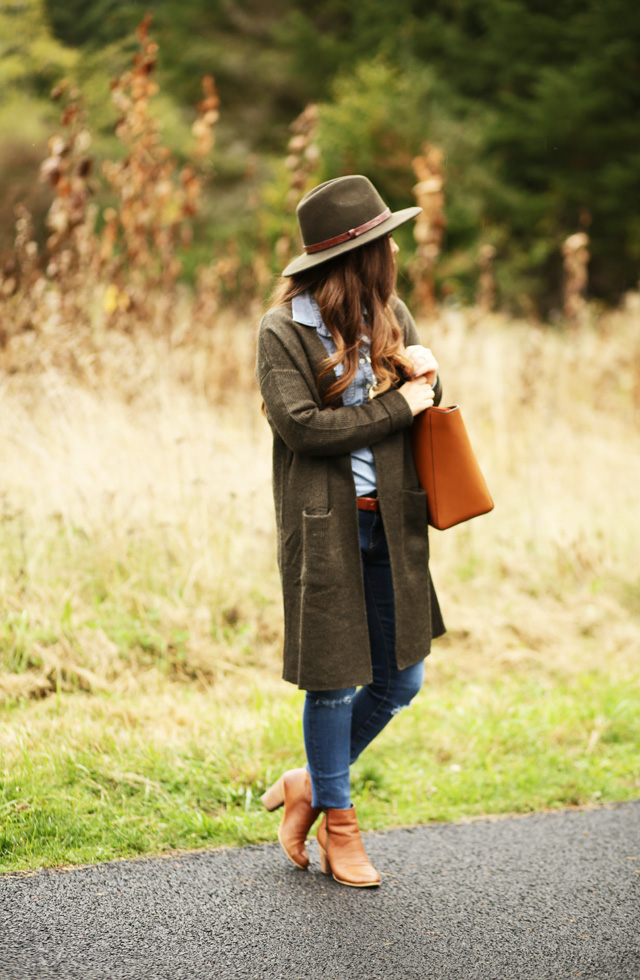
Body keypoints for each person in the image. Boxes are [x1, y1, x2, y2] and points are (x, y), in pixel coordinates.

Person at [256, 174, 445, 888]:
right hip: (326, 528)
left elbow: (423, 407)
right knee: (334, 684)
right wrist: (403, 403)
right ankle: (340, 826)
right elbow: (303, 429)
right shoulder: (281, 331)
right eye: (382, 243)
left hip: (393, 526)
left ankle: (307, 782)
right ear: (358, 254)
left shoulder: (391, 314)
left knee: (402, 679)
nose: (391, 253)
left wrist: (430, 379)